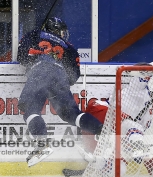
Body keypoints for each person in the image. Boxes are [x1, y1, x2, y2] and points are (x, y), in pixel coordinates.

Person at [62, 57, 153, 177]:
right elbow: (143, 70)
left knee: (119, 170)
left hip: (103, 133)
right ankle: (118, 155)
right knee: (129, 123)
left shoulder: (147, 120)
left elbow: (134, 137)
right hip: (101, 114)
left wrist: (148, 161)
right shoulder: (139, 90)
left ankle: (97, 164)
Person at [17, 17, 103, 167]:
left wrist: (38, 64)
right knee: (71, 114)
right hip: (61, 75)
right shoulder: (69, 47)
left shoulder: (35, 34)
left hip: (40, 70)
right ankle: (103, 131)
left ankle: (42, 144)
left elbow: (22, 57)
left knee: (30, 108)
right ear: (58, 31)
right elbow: (74, 76)